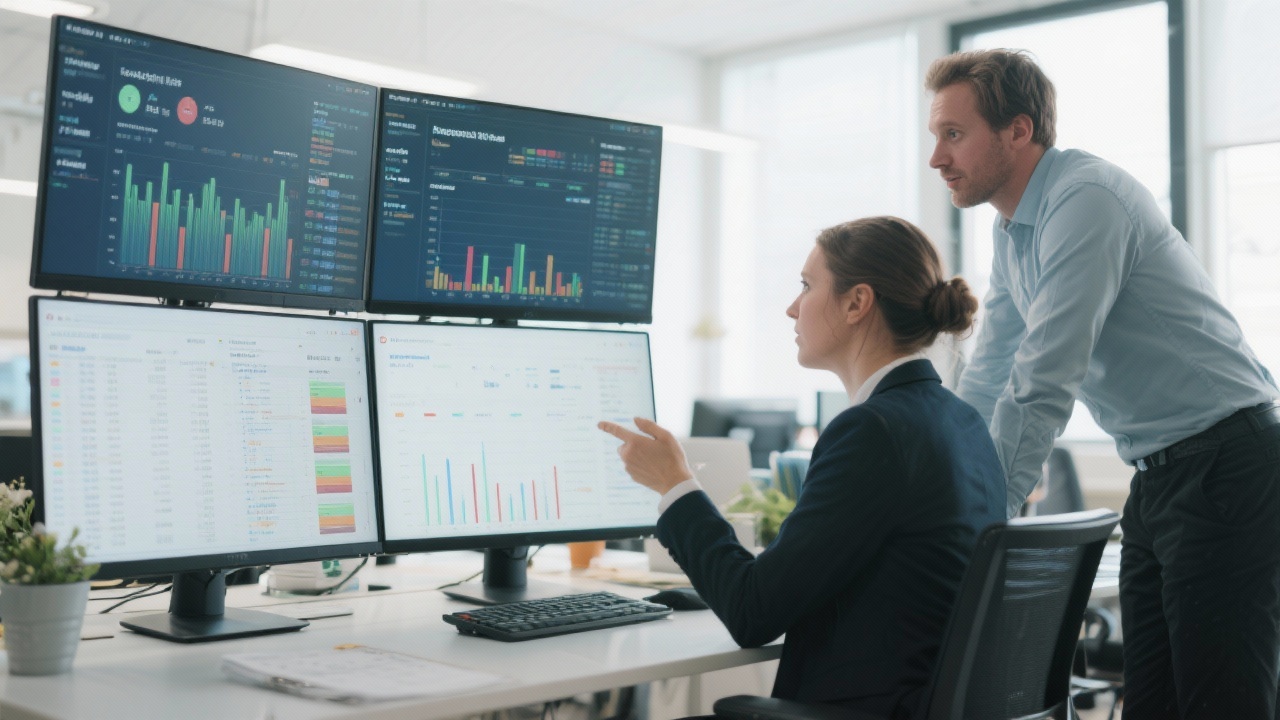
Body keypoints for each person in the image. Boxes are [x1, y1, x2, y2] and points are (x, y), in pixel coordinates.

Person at [925, 49, 1280, 719]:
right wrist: (948, 484)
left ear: (1018, 130)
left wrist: (983, 516)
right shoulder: (1014, 231)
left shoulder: (1084, 200)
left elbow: (1046, 374)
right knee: (1151, 702)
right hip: (1160, 472)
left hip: (1227, 464)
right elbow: (991, 372)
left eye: (953, 133)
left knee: (1221, 703)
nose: (937, 157)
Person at [598, 217, 1005, 717]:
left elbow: (753, 612)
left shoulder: (873, 431)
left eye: (807, 286)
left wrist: (675, 485)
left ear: (857, 303)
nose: (792, 308)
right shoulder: (961, 421)